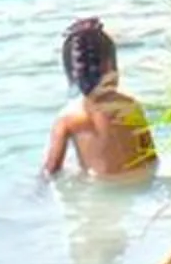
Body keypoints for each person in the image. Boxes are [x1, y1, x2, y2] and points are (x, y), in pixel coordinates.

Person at [43, 19, 158, 180]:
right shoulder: (131, 106)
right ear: (111, 66)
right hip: (139, 185)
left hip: (98, 193)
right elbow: (152, 159)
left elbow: (51, 171)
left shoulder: (67, 119)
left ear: (73, 73)